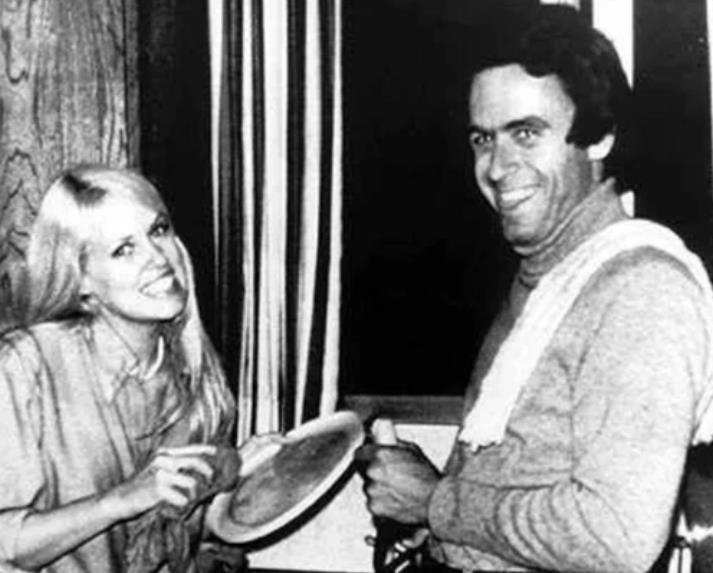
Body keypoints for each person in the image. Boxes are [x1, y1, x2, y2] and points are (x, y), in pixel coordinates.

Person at [356, 6, 713, 572]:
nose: (497, 168)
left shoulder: (640, 289)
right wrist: (432, 505)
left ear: (599, 138)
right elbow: (520, 478)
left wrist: (436, 502)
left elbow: (618, 539)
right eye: (483, 139)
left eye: (526, 133)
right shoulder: (547, 281)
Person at [0, 165, 269, 572]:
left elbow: (157, 544)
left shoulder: (201, 385)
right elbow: (7, 544)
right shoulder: (25, 367)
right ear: (81, 280)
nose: (158, 258)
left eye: (158, 230)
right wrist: (121, 500)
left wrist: (241, 476)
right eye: (124, 249)